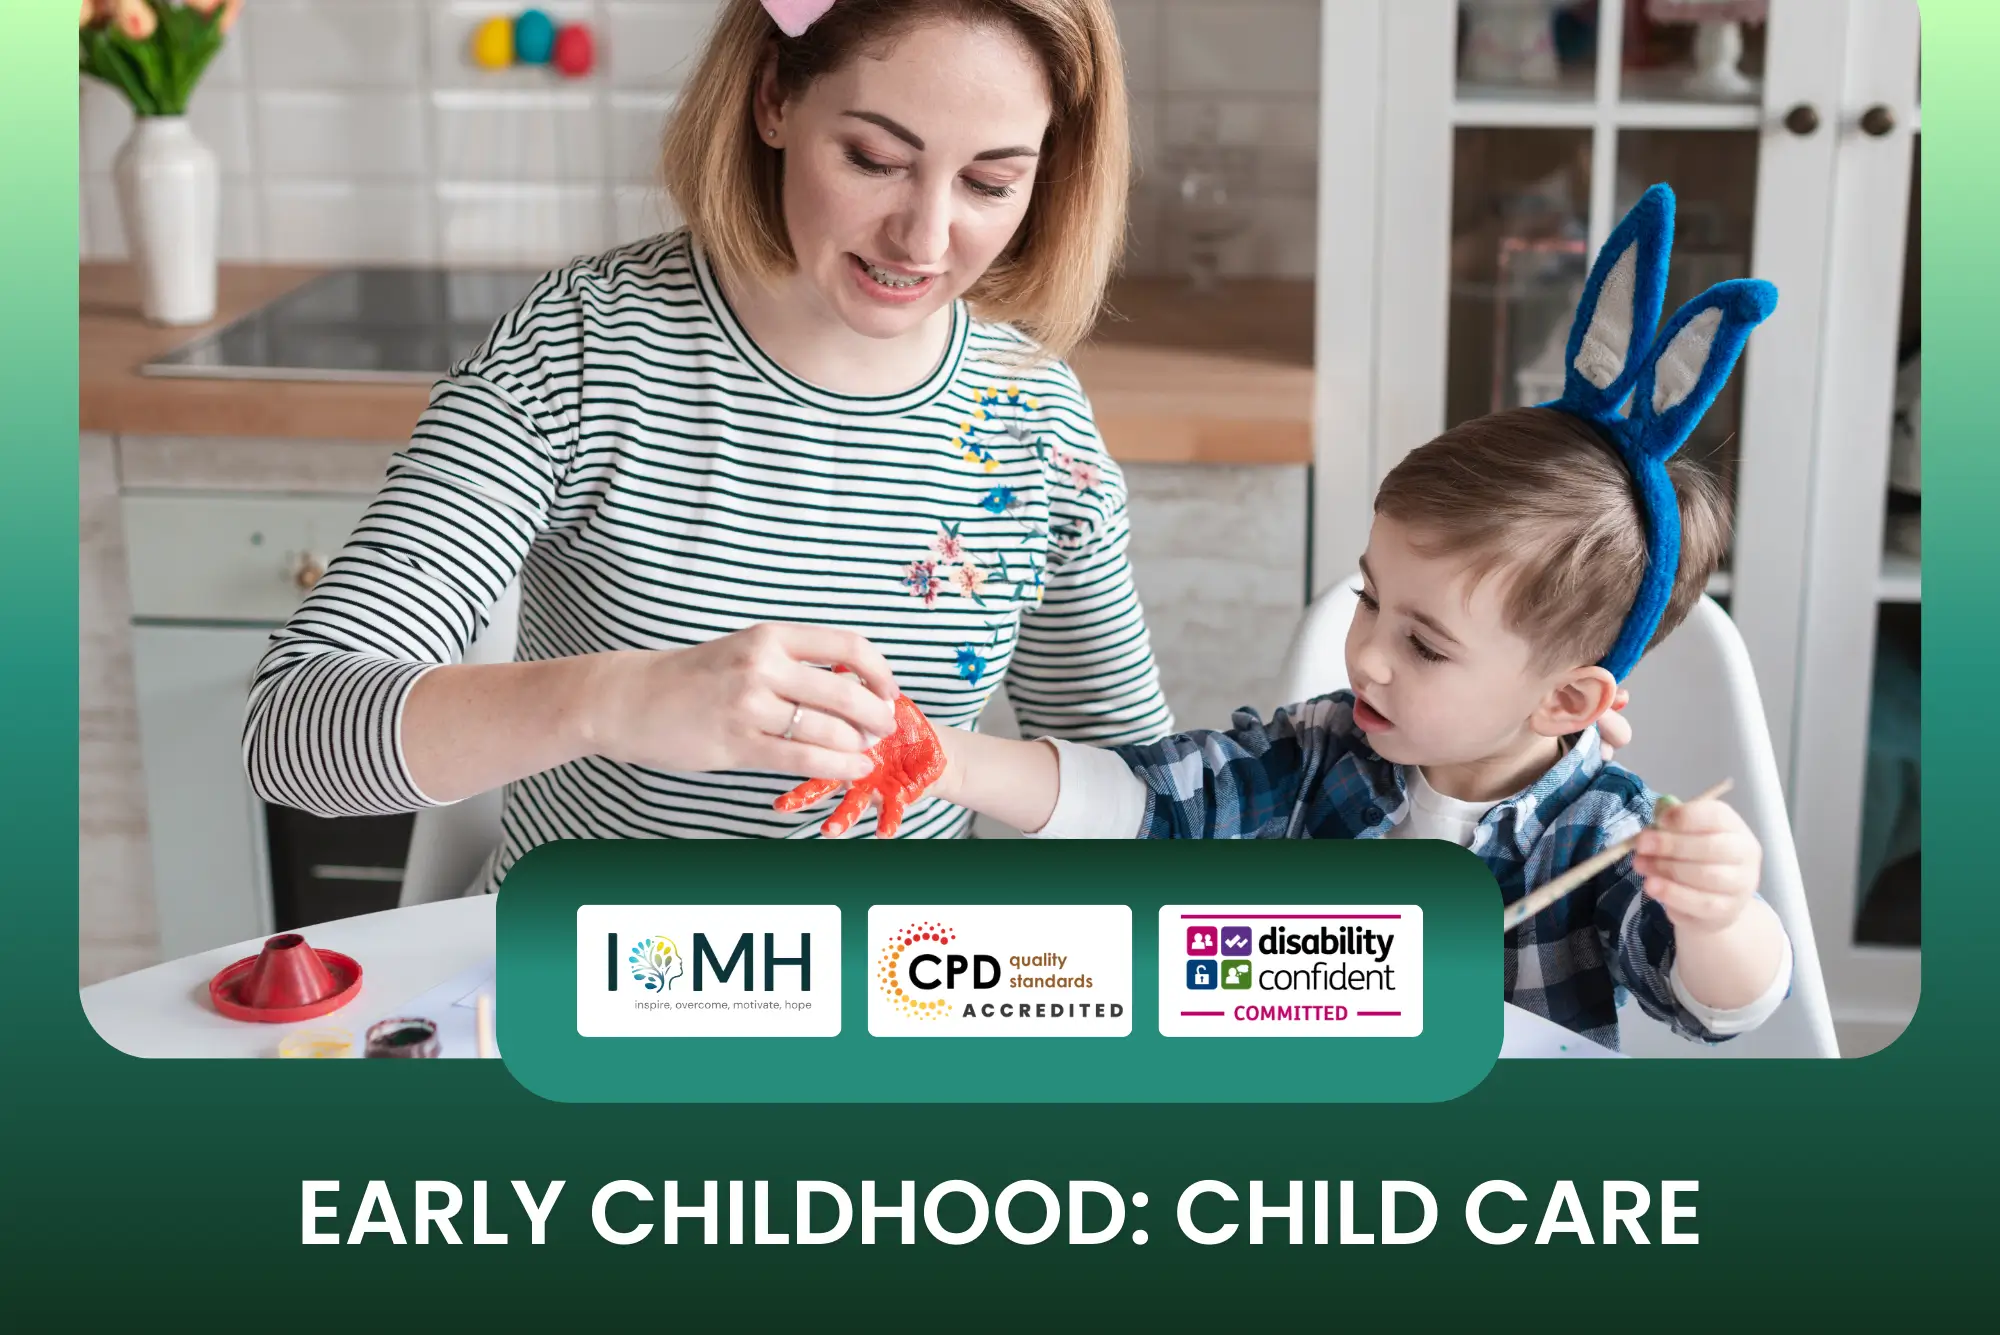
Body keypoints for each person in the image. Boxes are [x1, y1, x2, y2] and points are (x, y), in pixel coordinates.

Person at [242, 0, 1183, 888]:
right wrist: (616, 700)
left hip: (898, 978)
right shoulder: (582, 349)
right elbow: (292, 732)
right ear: (773, 97)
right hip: (587, 967)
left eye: (989, 183)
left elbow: (1148, 802)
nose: (923, 238)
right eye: (874, 159)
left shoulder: (1034, 421)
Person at [831, 188, 1793, 1047]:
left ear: (1567, 701)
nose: (1368, 656)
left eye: (1425, 645)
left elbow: (1720, 1007)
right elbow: (1142, 802)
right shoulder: (1321, 754)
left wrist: (1718, 916)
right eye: (1371, 598)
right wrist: (941, 757)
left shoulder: (1600, 831)